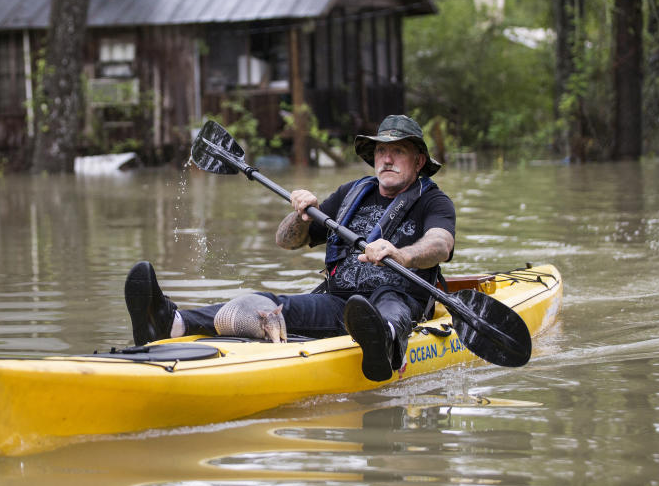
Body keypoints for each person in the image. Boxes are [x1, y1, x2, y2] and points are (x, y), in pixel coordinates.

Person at [124, 114, 456, 382]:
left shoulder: (433, 200)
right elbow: (286, 241)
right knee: (267, 305)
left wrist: (402, 254)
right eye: (381, 151)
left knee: (387, 302)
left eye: (398, 151)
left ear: (419, 161)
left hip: (396, 299)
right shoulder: (351, 193)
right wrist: (299, 214)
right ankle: (171, 322)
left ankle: (383, 341)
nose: (387, 158)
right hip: (339, 303)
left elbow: (440, 244)